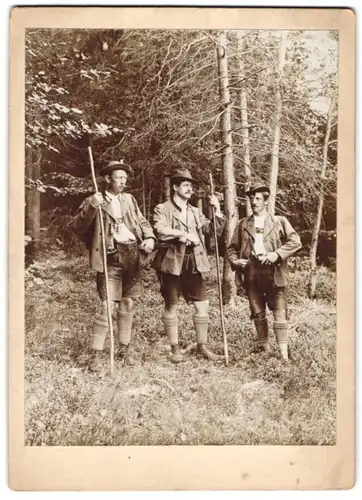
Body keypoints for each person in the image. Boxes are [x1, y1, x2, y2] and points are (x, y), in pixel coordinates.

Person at [69, 159, 156, 372]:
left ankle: (124, 349)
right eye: (119, 178)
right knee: (107, 306)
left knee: (128, 304)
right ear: (108, 179)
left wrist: (150, 237)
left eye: (125, 179)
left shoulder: (129, 200)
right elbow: (77, 226)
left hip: (133, 256)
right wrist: (92, 207)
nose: (123, 182)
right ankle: (96, 356)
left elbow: (142, 221)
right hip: (110, 258)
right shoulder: (94, 201)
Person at [152, 168, 225, 363]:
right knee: (171, 305)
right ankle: (175, 349)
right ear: (175, 187)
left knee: (203, 304)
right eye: (185, 185)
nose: (189, 188)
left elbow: (213, 231)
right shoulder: (163, 208)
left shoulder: (195, 211)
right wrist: (183, 235)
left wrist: (217, 210)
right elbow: (160, 230)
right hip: (172, 262)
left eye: (191, 185)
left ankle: (203, 346)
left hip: (195, 263)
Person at [227, 182, 302, 362]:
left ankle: (283, 355)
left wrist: (276, 255)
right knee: (258, 313)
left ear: (266, 202)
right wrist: (236, 262)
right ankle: (264, 348)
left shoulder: (279, 221)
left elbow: (296, 242)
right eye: (252, 198)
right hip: (252, 274)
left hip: (274, 273)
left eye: (258, 198)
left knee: (279, 312)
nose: (254, 201)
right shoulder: (243, 224)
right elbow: (231, 248)